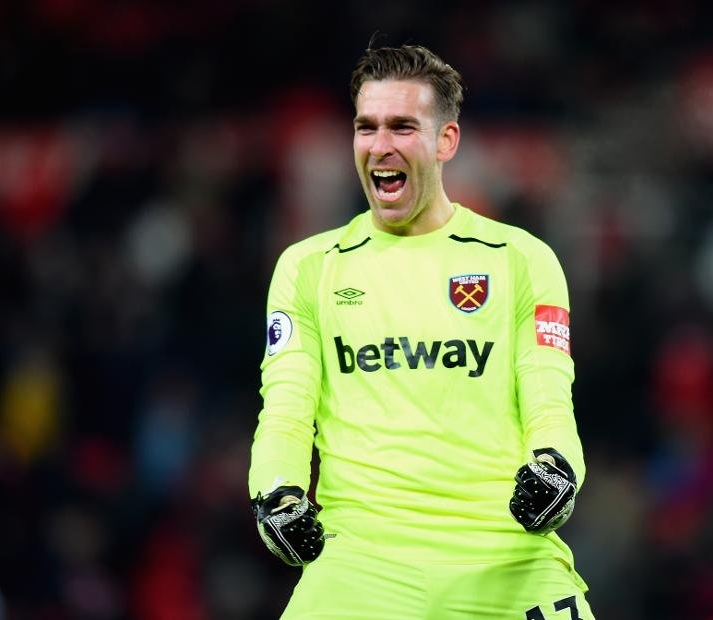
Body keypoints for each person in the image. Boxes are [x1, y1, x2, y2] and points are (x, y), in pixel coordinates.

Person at [248, 43, 595, 620]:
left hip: (505, 561)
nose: (380, 145)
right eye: (366, 127)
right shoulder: (307, 268)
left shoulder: (521, 259)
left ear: (446, 141)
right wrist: (277, 493)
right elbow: (285, 411)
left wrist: (558, 468)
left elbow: (549, 399)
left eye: (402, 127)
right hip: (359, 567)